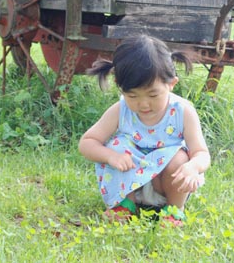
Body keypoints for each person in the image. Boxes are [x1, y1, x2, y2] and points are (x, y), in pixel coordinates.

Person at [78, 35, 211, 225]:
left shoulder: (182, 112)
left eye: (153, 94)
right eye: (132, 95)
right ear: (120, 88)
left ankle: (174, 210)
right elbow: (87, 143)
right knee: (117, 146)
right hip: (132, 185)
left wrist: (193, 167)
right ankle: (124, 205)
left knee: (180, 158)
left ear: (171, 84)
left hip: (165, 185)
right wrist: (110, 156)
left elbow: (202, 153)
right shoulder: (121, 109)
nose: (143, 104)